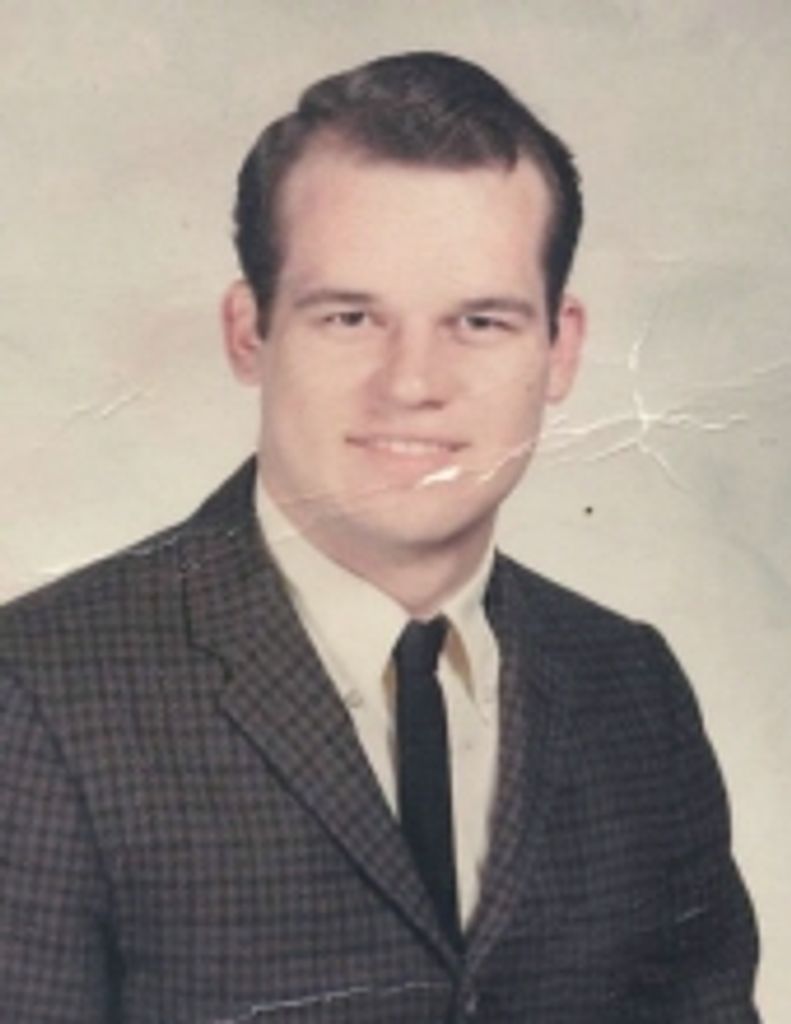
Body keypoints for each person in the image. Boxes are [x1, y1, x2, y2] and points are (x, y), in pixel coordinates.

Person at [0, 52, 760, 1023]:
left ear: (558, 348)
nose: (411, 383)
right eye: (351, 316)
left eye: (478, 321)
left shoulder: (630, 688)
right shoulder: (38, 694)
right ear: (249, 331)